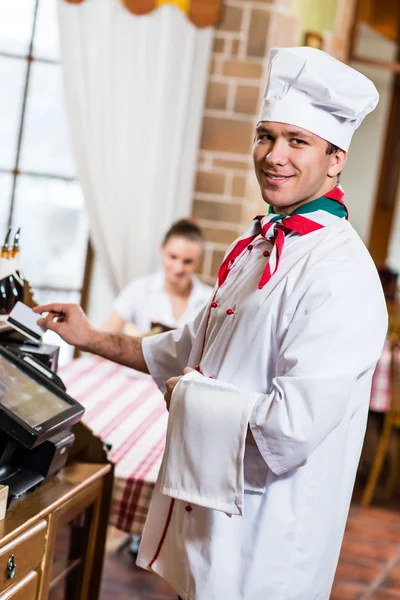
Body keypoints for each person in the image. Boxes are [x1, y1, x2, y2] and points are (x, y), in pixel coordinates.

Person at [34, 47, 388, 599]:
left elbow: (291, 428)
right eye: (265, 135)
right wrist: (90, 336)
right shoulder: (260, 248)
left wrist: (189, 396)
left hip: (264, 546)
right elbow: (185, 347)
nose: (274, 155)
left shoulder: (341, 275)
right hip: (208, 531)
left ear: (336, 157)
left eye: (298, 141)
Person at [102, 219, 212, 334]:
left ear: (199, 260)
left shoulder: (209, 301)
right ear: (162, 249)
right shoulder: (139, 289)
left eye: (188, 261)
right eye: (173, 257)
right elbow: (102, 341)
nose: (178, 268)